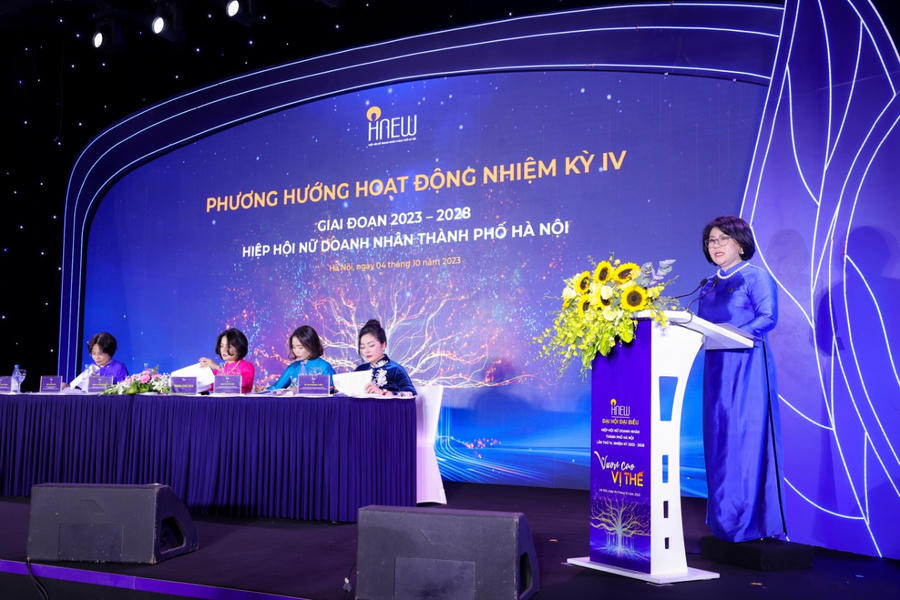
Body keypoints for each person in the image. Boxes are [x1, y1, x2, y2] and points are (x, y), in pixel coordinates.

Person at [697, 215, 786, 543]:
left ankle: (749, 523)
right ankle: (723, 522)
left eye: (723, 239)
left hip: (748, 367)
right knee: (719, 441)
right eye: (711, 240)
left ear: (741, 243)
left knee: (744, 441)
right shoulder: (707, 285)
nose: (716, 245)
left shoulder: (755, 277)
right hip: (716, 369)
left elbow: (768, 317)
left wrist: (732, 335)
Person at [354, 319, 416, 396]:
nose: (366, 351)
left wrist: (384, 393)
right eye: (362, 347)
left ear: (383, 345)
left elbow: (411, 394)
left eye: (371, 345)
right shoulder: (360, 370)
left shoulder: (395, 369)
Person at [266, 325, 335, 390]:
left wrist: (302, 388)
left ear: (312, 346)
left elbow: (332, 388)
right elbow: (276, 387)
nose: (296, 351)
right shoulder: (292, 368)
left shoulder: (324, 367)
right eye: (293, 347)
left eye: (300, 347)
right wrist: (264, 390)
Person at [199, 328, 255, 394]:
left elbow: (240, 382)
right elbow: (211, 386)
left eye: (229, 346)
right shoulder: (219, 369)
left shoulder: (247, 366)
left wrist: (218, 368)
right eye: (222, 346)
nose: (224, 350)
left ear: (239, 347)